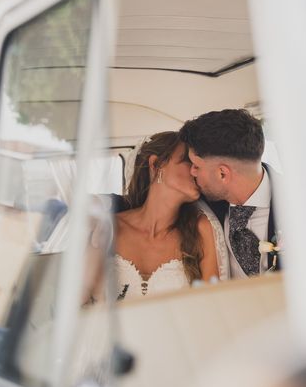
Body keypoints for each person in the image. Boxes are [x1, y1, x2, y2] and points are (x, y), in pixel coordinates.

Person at [111, 131, 219, 300]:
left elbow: (212, 305)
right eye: (188, 161)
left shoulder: (201, 230)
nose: (196, 171)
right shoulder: (109, 226)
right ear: (156, 164)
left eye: (199, 164)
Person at [179, 109, 280, 279]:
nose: (192, 172)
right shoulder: (202, 203)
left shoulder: (303, 205)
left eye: (197, 166)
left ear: (222, 174)